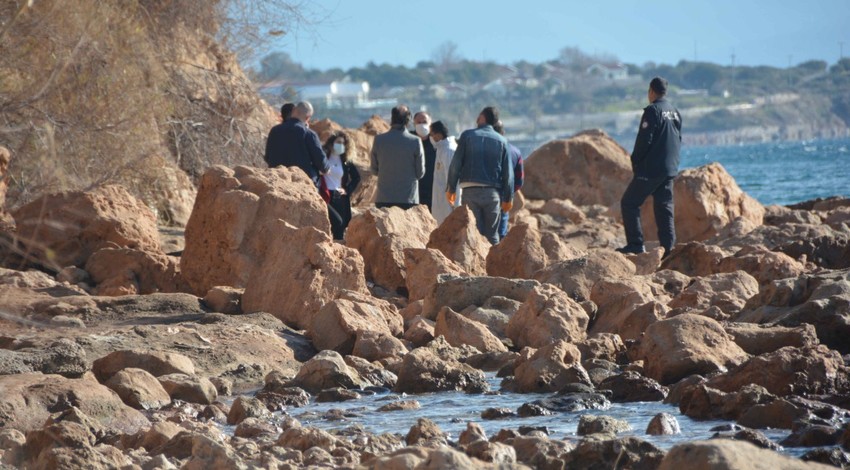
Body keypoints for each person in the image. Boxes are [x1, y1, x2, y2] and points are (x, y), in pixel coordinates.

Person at [617, 76, 682, 258]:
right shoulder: (675, 111)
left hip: (651, 169)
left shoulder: (653, 111)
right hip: (669, 168)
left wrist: (635, 160)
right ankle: (669, 249)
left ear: (651, 91)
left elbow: (645, 139)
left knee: (629, 202)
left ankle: (636, 244)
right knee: (664, 207)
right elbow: (678, 139)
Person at [446, 106, 514, 244]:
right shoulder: (502, 141)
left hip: (470, 192)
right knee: (493, 236)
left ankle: (477, 265)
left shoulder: (467, 136)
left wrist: (451, 188)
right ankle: (493, 264)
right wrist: (508, 198)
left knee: (474, 234)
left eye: (479, 115)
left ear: (483, 118)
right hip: (492, 194)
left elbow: (455, 165)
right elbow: (508, 174)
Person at [370, 105, 425, 209]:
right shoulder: (415, 141)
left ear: (392, 118)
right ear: (408, 120)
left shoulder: (379, 140)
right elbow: (420, 173)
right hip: (408, 198)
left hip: (384, 198)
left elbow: (374, 170)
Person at [263, 101, 329, 187]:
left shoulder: (274, 131)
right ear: (308, 117)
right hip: (303, 185)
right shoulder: (309, 134)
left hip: (277, 182)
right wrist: (327, 168)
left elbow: (268, 157)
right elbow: (322, 164)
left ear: (293, 110)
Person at [320, 131, 360, 240]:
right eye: (338, 142)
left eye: (343, 143)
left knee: (340, 228)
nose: (341, 145)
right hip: (324, 195)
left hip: (339, 197)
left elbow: (356, 177)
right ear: (332, 142)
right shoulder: (323, 156)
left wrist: (347, 190)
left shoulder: (345, 161)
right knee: (330, 223)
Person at [493, 120, 524, 239]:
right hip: (504, 195)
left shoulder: (482, 150)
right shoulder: (515, 151)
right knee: (501, 232)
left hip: (483, 192)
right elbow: (519, 180)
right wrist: (509, 191)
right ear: (503, 132)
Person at [428, 120, 458, 225]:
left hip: (447, 205)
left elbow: (452, 179)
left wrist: (455, 205)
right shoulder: (441, 148)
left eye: (431, 134)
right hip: (441, 201)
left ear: (439, 135)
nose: (430, 137)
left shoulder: (448, 150)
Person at [412, 111, 437, 211]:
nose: (422, 125)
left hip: (433, 191)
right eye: (419, 122)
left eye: (425, 122)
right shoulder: (410, 141)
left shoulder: (436, 142)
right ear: (414, 124)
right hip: (414, 192)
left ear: (430, 123)